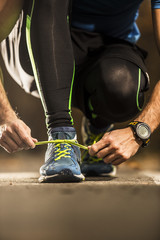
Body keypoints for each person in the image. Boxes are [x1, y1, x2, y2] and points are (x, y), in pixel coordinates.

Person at [0, 0, 160, 181]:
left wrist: (139, 131)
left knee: (122, 86)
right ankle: (60, 135)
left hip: (105, 52)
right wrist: (4, 114)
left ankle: (98, 130)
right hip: (31, 58)